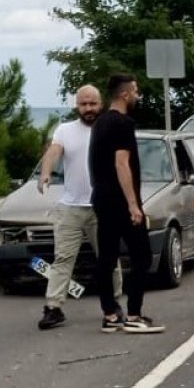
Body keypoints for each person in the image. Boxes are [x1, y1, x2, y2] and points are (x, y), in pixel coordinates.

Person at [36, 85, 123, 330]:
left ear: (101, 104)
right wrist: (45, 173)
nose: (88, 109)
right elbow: (53, 152)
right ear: (77, 105)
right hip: (71, 207)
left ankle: (114, 303)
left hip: (102, 207)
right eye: (83, 104)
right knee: (63, 258)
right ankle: (53, 307)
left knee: (108, 258)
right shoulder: (65, 130)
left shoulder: (109, 127)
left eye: (92, 104)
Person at [88, 73, 164, 334]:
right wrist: (133, 204)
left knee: (107, 258)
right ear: (124, 94)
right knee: (141, 256)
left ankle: (110, 314)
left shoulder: (99, 123)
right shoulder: (123, 124)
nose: (137, 95)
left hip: (101, 198)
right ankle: (133, 313)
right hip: (120, 202)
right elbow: (122, 164)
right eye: (135, 91)